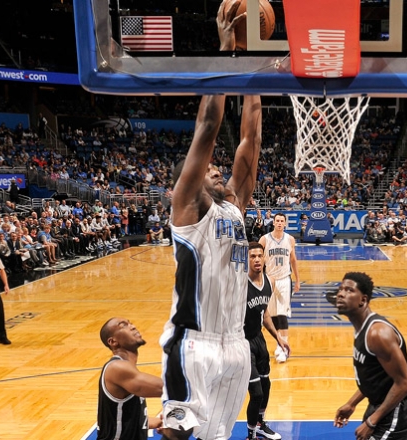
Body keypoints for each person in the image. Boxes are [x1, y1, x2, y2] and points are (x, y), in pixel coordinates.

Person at [159, 2, 262, 438]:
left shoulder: (233, 207)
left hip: (236, 344)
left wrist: (252, 65)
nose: (217, 170)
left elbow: (250, 139)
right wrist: (226, 52)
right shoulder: (187, 207)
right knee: (180, 434)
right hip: (193, 341)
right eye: (210, 169)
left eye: (219, 168)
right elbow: (207, 127)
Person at [334, 272, 407, 440]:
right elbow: (374, 377)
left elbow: (405, 384)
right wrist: (352, 403)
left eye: (349, 290)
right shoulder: (362, 327)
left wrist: (371, 422)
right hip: (383, 402)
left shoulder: (378, 334)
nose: (341, 294)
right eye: (340, 289)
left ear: (363, 300)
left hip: (399, 408)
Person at [244, 242, 290, 440]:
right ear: (246, 259)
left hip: (259, 340)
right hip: (242, 343)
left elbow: (265, 314)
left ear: (264, 258)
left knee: (266, 386)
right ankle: (251, 435)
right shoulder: (239, 284)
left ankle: (260, 424)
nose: (256, 259)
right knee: (256, 393)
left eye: (259, 256)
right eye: (252, 256)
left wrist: (278, 337)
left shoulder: (270, 282)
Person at [97, 317, 163, 440]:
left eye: (130, 323)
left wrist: (156, 422)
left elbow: (120, 418)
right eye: (123, 325)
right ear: (113, 341)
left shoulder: (126, 368)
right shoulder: (117, 368)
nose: (133, 326)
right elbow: (163, 388)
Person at [259, 213, 300, 363]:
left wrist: (297, 280)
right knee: (274, 316)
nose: (280, 223)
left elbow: (293, 260)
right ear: (273, 222)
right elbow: (258, 259)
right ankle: (279, 343)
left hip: (284, 280)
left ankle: (284, 348)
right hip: (269, 280)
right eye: (277, 221)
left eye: (282, 221)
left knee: (282, 314)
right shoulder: (265, 239)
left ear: (285, 223)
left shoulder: (290, 239)